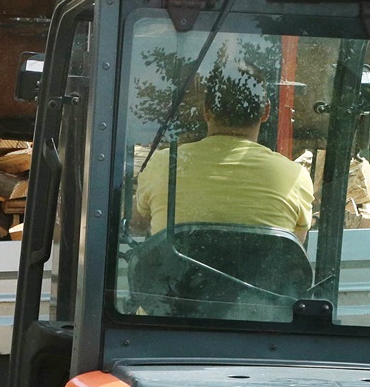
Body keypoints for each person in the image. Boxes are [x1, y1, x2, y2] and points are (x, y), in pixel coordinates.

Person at [132, 49, 314, 243]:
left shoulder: (164, 165)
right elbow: (294, 248)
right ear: (266, 111)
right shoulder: (295, 178)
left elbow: (136, 225)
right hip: (251, 275)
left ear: (206, 111)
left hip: (176, 274)